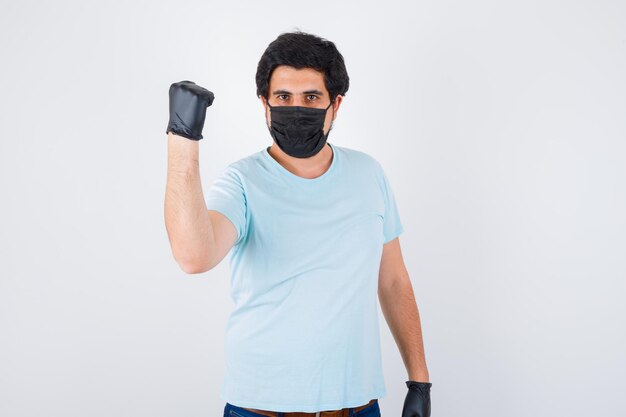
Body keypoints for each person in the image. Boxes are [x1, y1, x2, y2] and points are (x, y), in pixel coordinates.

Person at [164, 31, 432, 417]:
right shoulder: (241, 181)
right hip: (260, 409)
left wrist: (419, 380)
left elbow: (393, 280)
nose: (296, 108)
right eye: (283, 97)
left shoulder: (368, 174)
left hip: (356, 407)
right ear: (265, 104)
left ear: (335, 105)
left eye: (311, 97)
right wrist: (182, 138)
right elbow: (193, 256)